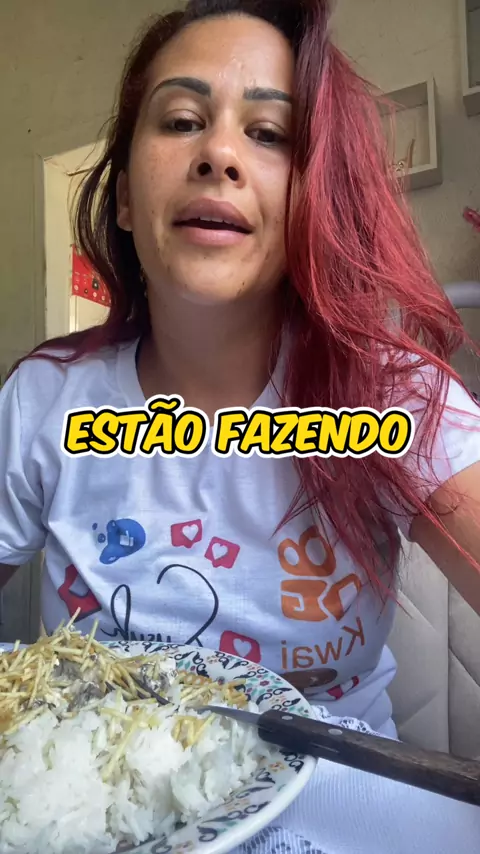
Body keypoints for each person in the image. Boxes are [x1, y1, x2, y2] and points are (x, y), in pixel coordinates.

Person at [1, 1, 480, 851]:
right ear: (123, 198)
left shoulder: (392, 397)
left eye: (268, 134)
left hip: (341, 789)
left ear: (312, 197)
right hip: (101, 797)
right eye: (182, 120)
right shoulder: (45, 400)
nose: (218, 154)